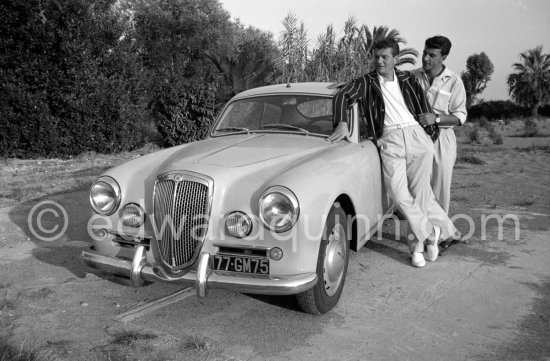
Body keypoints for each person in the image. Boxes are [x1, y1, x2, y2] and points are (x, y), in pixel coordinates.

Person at [328, 39, 460, 268]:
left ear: (395, 59)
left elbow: (423, 108)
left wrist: (429, 137)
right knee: (398, 194)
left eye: (384, 57)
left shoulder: (408, 79)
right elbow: (342, 96)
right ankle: (433, 232)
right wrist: (341, 123)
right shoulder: (366, 82)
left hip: (417, 137)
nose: (379, 61)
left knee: (421, 195)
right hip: (389, 139)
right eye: (376, 57)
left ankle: (417, 248)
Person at [412, 36, 467, 215]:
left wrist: (435, 118)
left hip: (442, 140)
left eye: (432, 55)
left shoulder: (454, 81)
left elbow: (459, 116)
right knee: (418, 187)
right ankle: (421, 232)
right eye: (425, 53)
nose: (426, 58)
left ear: (443, 58)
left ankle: (441, 233)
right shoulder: (413, 77)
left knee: (440, 187)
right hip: (417, 138)